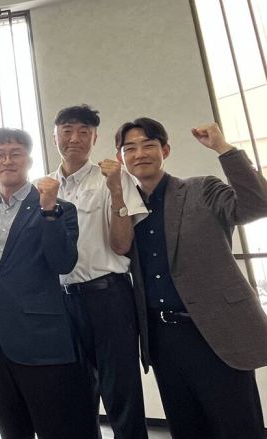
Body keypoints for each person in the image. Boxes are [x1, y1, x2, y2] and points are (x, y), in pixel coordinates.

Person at [117, 119, 267, 439]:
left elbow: (258, 204)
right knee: (186, 429)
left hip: (216, 331)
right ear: (121, 158)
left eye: (148, 145)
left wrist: (223, 149)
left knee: (238, 428)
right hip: (163, 339)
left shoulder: (202, 189)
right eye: (130, 148)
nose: (139, 154)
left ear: (165, 151)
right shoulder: (126, 211)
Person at [0, 128, 98, 439]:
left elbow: (62, 262)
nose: (7, 160)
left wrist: (49, 211)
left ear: (29, 160)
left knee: (56, 427)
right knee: (12, 429)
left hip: (41, 340)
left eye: (15, 153)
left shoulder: (57, 207)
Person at [46, 105, 148, 438]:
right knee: (75, 395)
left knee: (122, 393)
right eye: (67, 131)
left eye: (84, 132)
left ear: (94, 138)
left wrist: (116, 191)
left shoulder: (114, 178)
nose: (74, 138)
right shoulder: (44, 188)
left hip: (109, 296)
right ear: (55, 136)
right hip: (63, 302)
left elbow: (122, 245)